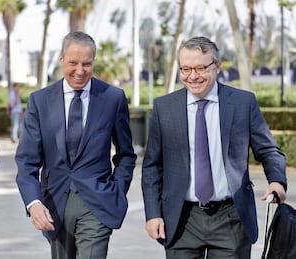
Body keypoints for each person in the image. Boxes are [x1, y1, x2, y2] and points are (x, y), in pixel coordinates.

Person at [141, 36, 287, 259]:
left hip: (231, 218)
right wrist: (153, 214)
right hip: (181, 219)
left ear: (217, 67)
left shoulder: (242, 103)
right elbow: (152, 166)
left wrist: (276, 181)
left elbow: (268, 150)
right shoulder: (165, 107)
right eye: (186, 69)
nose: (193, 76)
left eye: (201, 67)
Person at [15, 31, 137, 259]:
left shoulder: (113, 98)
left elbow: (126, 155)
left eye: (86, 64)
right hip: (55, 204)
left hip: (97, 202)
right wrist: (33, 203)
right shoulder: (40, 101)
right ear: (61, 60)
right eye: (73, 63)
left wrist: (117, 191)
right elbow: (27, 161)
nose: (80, 71)